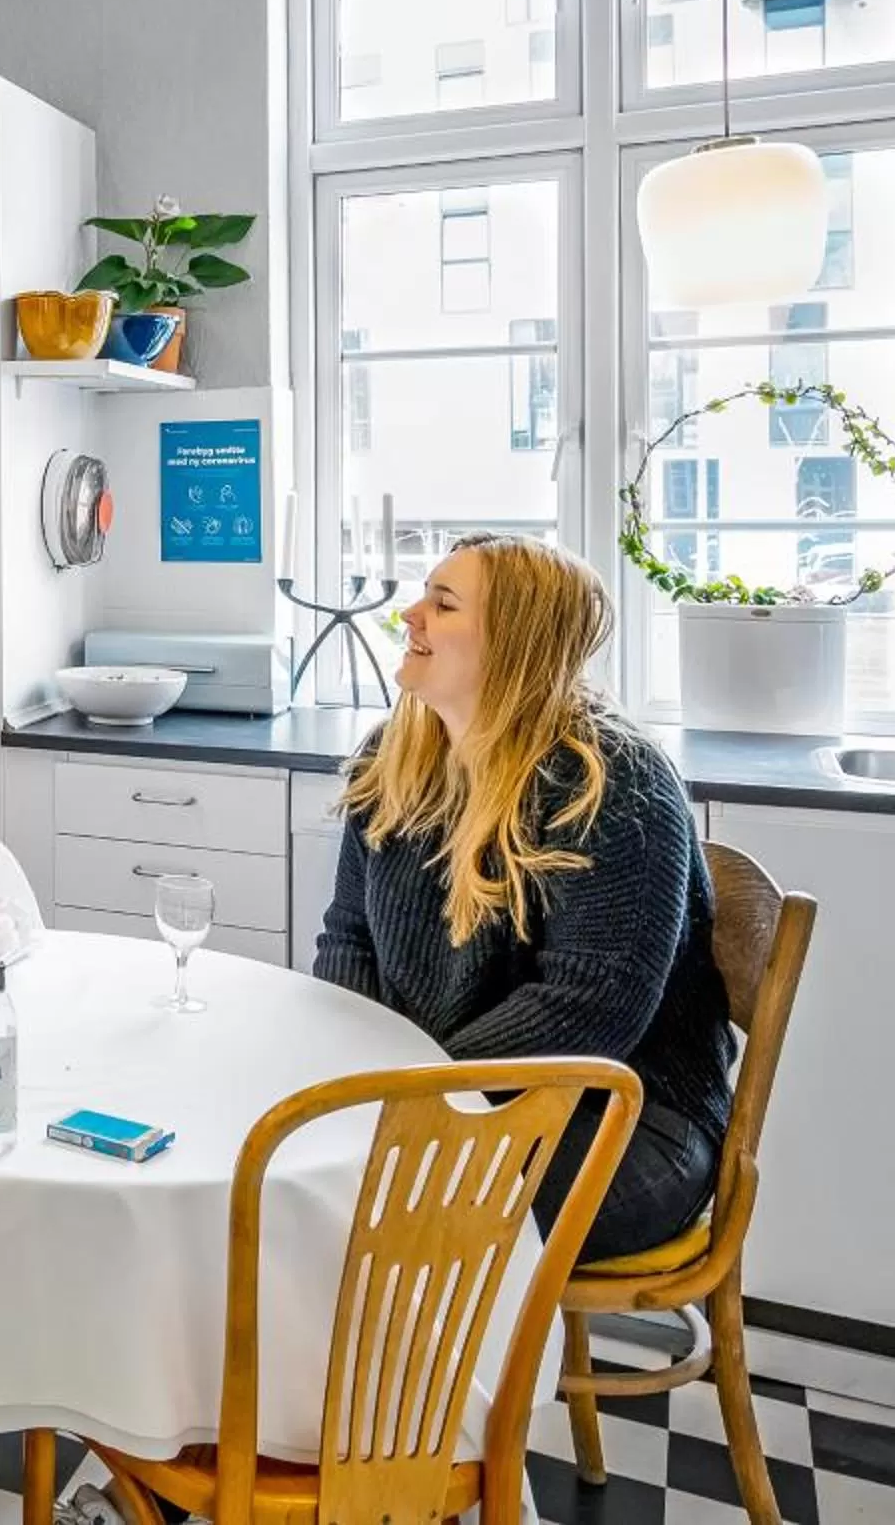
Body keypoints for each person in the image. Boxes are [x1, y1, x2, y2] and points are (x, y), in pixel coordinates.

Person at [314, 532, 733, 1261]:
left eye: (442, 604)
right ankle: (364, 1376)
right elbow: (348, 937)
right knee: (311, 1180)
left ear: (514, 642)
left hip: (628, 1123)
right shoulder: (395, 757)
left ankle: (439, 1378)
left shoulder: (615, 782)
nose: (410, 615)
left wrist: (404, 1089)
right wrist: (366, 1076)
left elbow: (586, 1011)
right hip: (445, 1090)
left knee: (366, 1207)